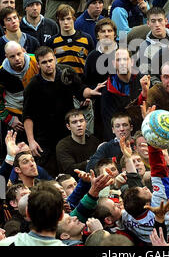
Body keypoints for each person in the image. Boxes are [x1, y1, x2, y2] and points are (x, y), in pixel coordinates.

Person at [22, 45, 106, 177]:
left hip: (67, 130)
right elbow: (27, 116)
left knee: (72, 170)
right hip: (45, 135)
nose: (48, 65)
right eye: (44, 62)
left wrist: (91, 92)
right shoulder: (33, 86)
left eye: (50, 60)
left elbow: (80, 90)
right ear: (38, 65)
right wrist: (31, 141)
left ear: (55, 59)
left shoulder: (66, 73)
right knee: (50, 172)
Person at [0, 181, 66, 246]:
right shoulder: (12, 225)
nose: (26, 197)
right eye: (24, 195)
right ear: (62, 215)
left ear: (27, 213)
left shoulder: (6, 243)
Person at [83, 18, 118, 140]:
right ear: (98, 35)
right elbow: (86, 81)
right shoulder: (92, 56)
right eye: (103, 31)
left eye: (110, 30)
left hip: (120, 102)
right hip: (99, 104)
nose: (107, 34)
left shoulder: (123, 53)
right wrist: (93, 89)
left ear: (114, 34)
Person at [99, 48, 145, 141]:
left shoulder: (142, 81)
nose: (122, 63)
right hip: (121, 136)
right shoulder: (108, 90)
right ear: (113, 64)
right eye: (118, 60)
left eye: (125, 59)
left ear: (131, 62)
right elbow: (109, 123)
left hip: (143, 133)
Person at [0, 41, 39, 141]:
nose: (17, 59)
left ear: (23, 51)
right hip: (15, 113)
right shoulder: (1, 72)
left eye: (19, 54)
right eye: (12, 56)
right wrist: (8, 119)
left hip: (38, 110)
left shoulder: (36, 61)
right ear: (6, 57)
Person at [47, 4, 94, 75]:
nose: (65, 22)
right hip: (60, 83)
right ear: (58, 20)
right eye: (62, 19)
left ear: (74, 19)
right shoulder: (52, 42)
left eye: (68, 19)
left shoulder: (87, 39)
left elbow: (92, 64)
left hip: (81, 83)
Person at [56, 109, 99, 177]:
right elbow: (69, 169)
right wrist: (90, 162)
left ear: (86, 122)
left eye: (81, 121)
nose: (79, 125)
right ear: (68, 126)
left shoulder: (94, 141)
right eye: (74, 122)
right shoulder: (63, 145)